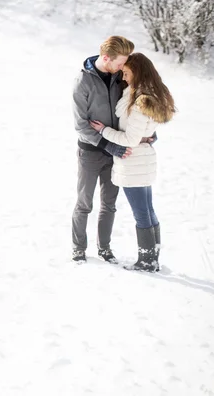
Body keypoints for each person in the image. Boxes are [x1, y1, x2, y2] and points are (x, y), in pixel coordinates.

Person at [89, 52, 175, 272]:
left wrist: (103, 130)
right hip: (141, 160)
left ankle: (146, 261)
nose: (124, 78)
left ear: (137, 71)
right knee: (148, 210)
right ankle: (152, 259)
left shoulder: (140, 101)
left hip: (133, 162)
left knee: (142, 213)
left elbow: (130, 139)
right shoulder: (148, 94)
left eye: (126, 73)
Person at [71, 36, 135, 264]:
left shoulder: (120, 78)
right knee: (84, 203)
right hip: (90, 152)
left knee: (109, 204)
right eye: (119, 63)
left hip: (114, 152)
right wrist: (108, 144)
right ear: (106, 58)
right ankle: (78, 248)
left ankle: (105, 248)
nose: (122, 67)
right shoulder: (83, 82)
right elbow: (80, 125)